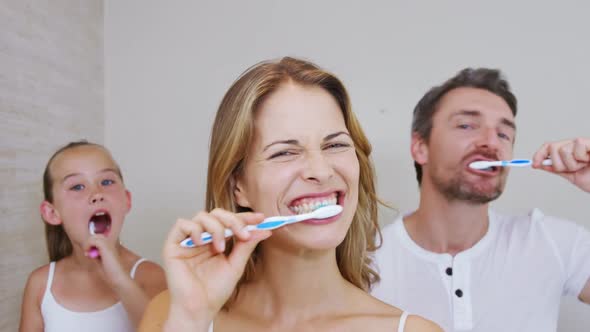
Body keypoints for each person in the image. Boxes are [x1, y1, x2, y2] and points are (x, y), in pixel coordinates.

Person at [139, 57, 441, 332]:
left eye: (335, 145)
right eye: (285, 152)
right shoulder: (171, 313)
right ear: (237, 186)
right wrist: (191, 318)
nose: (321, 171)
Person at [371, 68, 590, 332]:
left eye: (503, 134)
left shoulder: (552, 241)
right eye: (466, 126)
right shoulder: (365, 263)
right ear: (420, 147)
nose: (491, 142)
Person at [19, 141, 167, 331]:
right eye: (77, 187)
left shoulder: (150, 276)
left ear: (126, 200)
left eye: (106, 182)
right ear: (52, 213)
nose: (97, 194)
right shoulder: (40, 284)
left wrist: (119, 280)